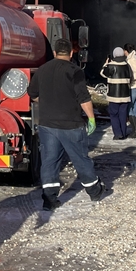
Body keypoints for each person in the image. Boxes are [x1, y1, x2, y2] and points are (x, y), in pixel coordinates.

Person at [27, 38, 106, 211]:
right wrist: (91, 117)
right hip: (71, 124)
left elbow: (33, 94)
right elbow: (83, 97)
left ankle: (49, 199)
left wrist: (47, 102)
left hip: (47, 124)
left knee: (49, 161)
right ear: (71, 53)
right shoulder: (75, 71)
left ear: (54, 53)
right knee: (80, 159)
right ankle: (95, 191)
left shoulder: (42, 70)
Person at [101, 47, 133, 140]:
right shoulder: (127, 65)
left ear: (114, 55)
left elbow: (103, 73)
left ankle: (117, 134)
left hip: (113, 96)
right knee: (123, 115)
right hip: (125, 95)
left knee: (114, 114)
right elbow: (131, 77)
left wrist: (106, 63)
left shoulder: (110, 65)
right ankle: (123, 133)